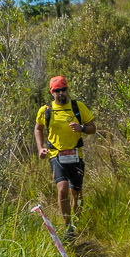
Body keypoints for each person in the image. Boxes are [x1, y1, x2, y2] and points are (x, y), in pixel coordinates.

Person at [35, 76, 97, 240]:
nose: (61, 93)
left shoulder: (78, 107)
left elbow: (93, 128)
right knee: (62, 190)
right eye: (57, 91)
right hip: (56, 155)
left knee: (77, 194)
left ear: (67, 90)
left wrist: (81, 127)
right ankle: (68, 228)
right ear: (52, 92)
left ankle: (76, 223)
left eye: (64, 90)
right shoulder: (46, 110)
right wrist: (40, 148)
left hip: (76, 155)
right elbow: (38, 128)